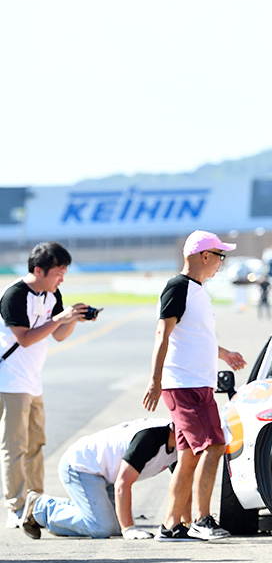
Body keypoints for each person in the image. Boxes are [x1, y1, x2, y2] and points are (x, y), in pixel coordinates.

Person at [142, 230, 247, 541]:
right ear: (205, 256)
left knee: (189, 456)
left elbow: (196, 337)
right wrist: (155, 380)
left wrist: (224, 354)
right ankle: (202, 519)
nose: (221, 262)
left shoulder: (197, 291)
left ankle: (170, 524)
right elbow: (162, 334)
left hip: (197, 384)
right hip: (184, 385)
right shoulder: (178, 287)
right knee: (214, 445)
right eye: (220, 256)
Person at [0, 241, 93, 530]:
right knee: (14, 446)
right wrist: (58, 319)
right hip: (10, 380)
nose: (61, 278)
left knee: (36, 444)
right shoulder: (15, 295)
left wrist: (72, 319)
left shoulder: (52, 294)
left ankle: (35, 502)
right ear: (38, 270)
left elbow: (59, 335)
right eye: (58, 272)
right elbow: (25, 338)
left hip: (33, 380)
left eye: (64, 272)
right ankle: (16, 507)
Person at [20, 418, 178, 540]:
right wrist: (129, 529)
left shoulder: (180, 445)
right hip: (82, 466)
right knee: (102, 528)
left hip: (107, 475)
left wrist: (184, 524)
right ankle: (41, 507)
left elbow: (181, 484)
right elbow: (123, 484)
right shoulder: (150, 438)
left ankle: (76, 515)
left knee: (116, 528)